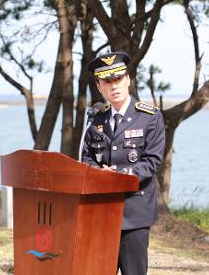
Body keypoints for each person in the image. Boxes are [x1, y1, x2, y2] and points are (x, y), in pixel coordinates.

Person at [81, 51, 165, 275]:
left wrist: (117, 175)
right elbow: (86, 159)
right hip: (100, 211)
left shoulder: (150, 117)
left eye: (118, 79)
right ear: (99, 86)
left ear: (128, 80)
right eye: (107, 81)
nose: (114, 86)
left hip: (134, 211)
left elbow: (152, 161)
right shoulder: (95, 119)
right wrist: (99, 173)